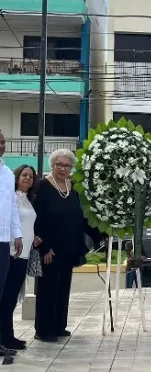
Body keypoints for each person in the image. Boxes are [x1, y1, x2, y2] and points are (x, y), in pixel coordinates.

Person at [33, 149, 102, 343]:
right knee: (48, 289)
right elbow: (37, 220)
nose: (63, 169)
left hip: (69, 246)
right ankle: (44, 330)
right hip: (50, 249)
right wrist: (44, 247)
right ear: (52, 165)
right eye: (59, 165)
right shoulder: (42, 186)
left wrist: (101, 235)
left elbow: (79, 218)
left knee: (63, 288)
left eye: (67, 166)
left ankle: (59, 326)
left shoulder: (72, 187)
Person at [0, 165, 41, 350]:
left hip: (24, 255)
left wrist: (34, 237)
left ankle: (8, 335)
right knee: (7, 298)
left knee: (12, 298)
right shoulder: (13, 197)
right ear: (16, 176)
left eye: (31, 176)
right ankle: (5, 337)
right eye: (24, 175)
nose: (27, 178)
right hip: (12, 253)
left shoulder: (27, 199)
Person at [0, 131, 22, 357]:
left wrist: (17, 235)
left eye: (3, 142)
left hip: (3, 241)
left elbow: (13, 207)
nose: (2, 146)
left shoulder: (7, 174)